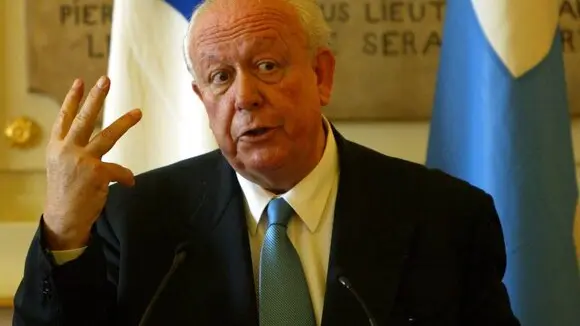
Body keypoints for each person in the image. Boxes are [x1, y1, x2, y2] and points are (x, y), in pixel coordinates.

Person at [13, 0, 520, 325]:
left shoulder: (446, 217)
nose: (245, 97)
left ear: (321, 75)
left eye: (267, 66)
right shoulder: (135, 219)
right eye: (219, 78)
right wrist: (62, 231)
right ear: (201, 98)